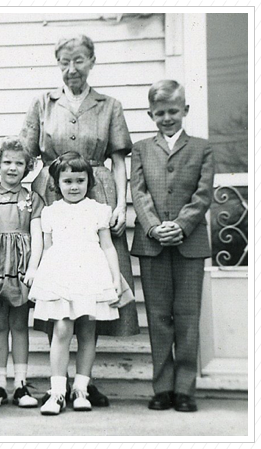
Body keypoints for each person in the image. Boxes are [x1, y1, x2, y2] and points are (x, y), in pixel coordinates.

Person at [19, 33, 140, 406]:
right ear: (59, 65)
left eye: (79, 61)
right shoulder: (43, 103)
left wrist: (121, 204)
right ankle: (60, 381)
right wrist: (22, 198)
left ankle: (82, 383)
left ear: (91, 61)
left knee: (96, 284)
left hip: (98, 194)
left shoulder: (109, 105)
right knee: (57, 287)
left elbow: (120, 160)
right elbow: (23, 155)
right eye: (65, 63)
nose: (72, 70)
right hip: (51, 194)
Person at [130, 80, 214, 412]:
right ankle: (162, 387)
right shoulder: (141, 149)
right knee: (159, 316)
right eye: (160, 113)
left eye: (173, 112)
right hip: (153, 245)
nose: (167, 118)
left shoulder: (202, 148)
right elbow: (138, 192)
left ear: (185, 111)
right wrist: (153, 227)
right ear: (151, 114)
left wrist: (181, 225)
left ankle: (184, 389)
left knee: (187, 317)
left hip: (189, 243)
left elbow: (203, 193)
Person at [28, 152, 134, 415]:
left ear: (89, 182)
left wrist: (115, 278)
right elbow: (49, 249)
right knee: (62, 329)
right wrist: (43, 277)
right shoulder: (50, 213)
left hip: (91, 273)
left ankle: (81, 388)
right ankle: (57, 391)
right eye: (67, 181)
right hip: (62, 274)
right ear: (57, 184)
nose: (74, 186)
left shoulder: (98, 210)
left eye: (80, 180)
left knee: (87, 331)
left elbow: (108, 247)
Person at [0, 136, 44, 408]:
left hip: (21, 268)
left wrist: (33, 268)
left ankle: (20, 384)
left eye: (19, 163)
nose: (13, 168)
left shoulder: (32, 199)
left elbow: (37, 236)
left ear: (27, 167)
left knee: (19, 325)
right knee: (0, 325)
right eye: (7, 162)